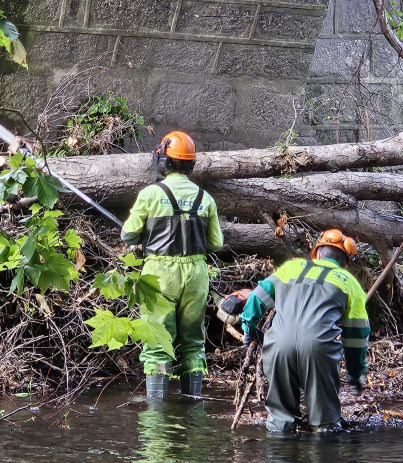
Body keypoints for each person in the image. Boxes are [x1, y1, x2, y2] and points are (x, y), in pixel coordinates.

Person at [219, 229, 370, 431]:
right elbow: (356, 338)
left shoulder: (291, 268)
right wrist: (355, 374)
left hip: (278, 345)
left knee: (280, 420)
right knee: (325, 424)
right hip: (319, 349)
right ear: (345, 262)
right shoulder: (350, 283)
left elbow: (256, 298)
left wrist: (249, 329)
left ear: (317, 252)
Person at [121, 131, 224, 399]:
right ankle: (192, 402)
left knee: (157, 339)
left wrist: (145, 236)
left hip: (159, 274)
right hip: (196, 274)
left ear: (165, 161)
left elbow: (127, 235)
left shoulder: (151, 194)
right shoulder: (205, 198)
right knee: (192, 341)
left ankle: (157, 413)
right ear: (190, 164)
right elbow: (216, 243)